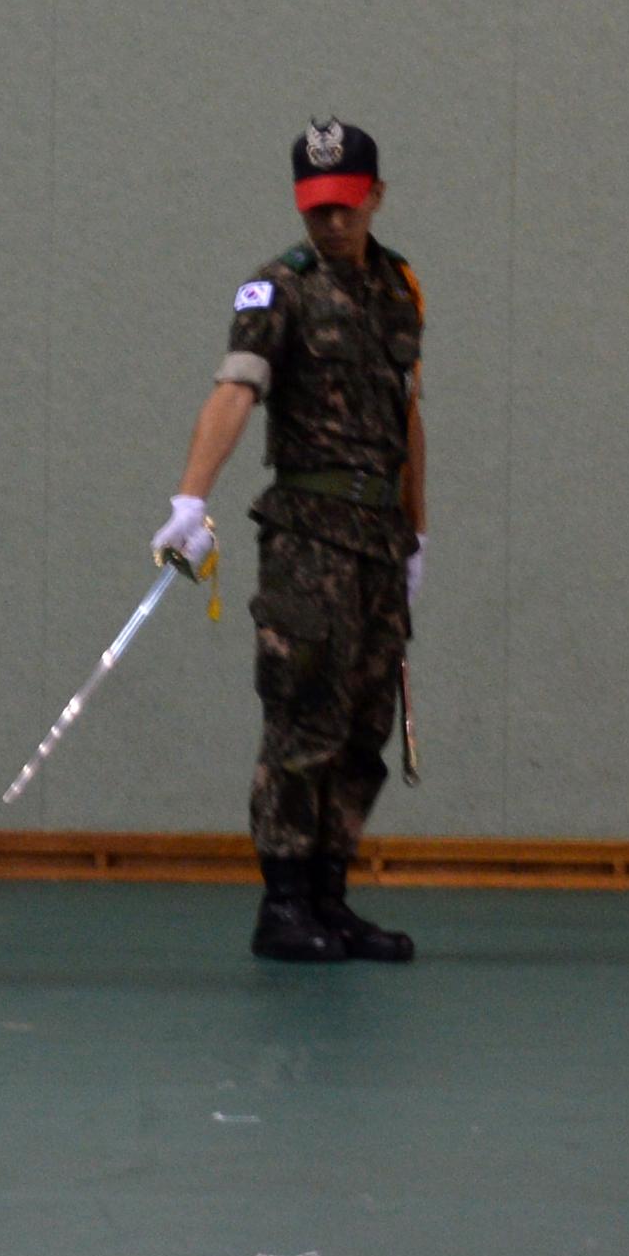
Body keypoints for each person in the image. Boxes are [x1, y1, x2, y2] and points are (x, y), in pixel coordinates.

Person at [152, 119, 425, 965]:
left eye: (345, 206)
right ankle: (284, 904)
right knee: (301, 721)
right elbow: (236, 391)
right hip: (308, 537)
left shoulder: (400, 288)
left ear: (375, 195)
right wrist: (190, 500)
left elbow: (409, 416)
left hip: (379, 537)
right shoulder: (277, 289)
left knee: (364, 723)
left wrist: (419, 534)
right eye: (316, 208)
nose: (331, 223)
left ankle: (331, 897)